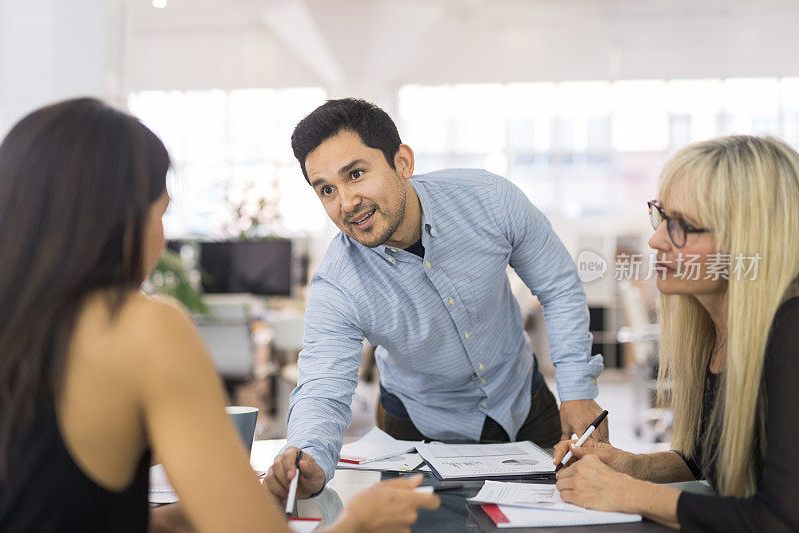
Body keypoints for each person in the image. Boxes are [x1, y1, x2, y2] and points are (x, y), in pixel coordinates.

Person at [0, 98, 439, 532]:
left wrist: (209, 505)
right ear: (121, 220)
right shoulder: (141, 326)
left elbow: (67, 511)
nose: (161, 237)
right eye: (161, 214)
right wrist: (359, 525)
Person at [266, 98, 607, 500]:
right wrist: (309, 457)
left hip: (523, 402)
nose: (345, 203)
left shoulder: (489, 200)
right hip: (418, 430)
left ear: (403, 163)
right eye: (326, 190)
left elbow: (559, 285)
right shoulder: (338, 284)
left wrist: (578, 391)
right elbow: (322, 385)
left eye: (355, 174)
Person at [552, 135, 799, 531]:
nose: (656, 239)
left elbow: (781, 519)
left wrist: (627, 492)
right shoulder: (716, 332)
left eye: (682, 226)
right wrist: (633, 466)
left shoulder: (790, 332)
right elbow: (711, 458)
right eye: (661, 216)